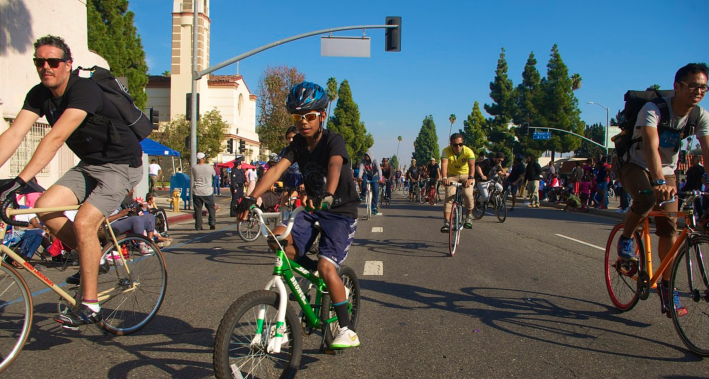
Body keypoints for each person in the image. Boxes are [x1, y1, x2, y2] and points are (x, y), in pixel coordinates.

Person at [0, 35, 143, 327]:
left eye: (53, 61)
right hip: (89, 165)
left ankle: (90, 305)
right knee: (45, 207)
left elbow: (56, 137)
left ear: (67, 65)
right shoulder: (39, 95)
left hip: (121, 165)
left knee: (84, 222)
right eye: (40, 62)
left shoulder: (84, 90)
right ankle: (94, 256)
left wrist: (20, 180)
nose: (46, 67)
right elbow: (14, 134)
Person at [237, 81, 360, 348]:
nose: (304, 122)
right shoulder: (297, 146)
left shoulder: (333, 140)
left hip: (339, 213)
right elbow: (275, 171)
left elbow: (335, 165)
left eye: (310, 116)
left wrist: (328, 193)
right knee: (277, 241)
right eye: (297, 117)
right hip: (311, 209)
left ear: (322, 116)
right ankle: (316, 276)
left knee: (328, 267)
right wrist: (252, 197)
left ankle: (347, 329)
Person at [616, 63, 709, 318]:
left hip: (667, 168)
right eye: (692, 86)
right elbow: (650, 146)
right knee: (646, 198)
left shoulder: (699, 115)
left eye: (703, 87)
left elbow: (707, 151)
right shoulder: (653, 109)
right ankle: (626, 239)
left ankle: (668, 291)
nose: (698, 91)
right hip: (634, 163)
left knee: (669, 225)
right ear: (677, 86)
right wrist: (658, 183)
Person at [440, 133, 476, 231]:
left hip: (466, 175)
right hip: (452, 176)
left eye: (460, 144)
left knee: (467, 194)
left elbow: (472, 165)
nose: (458, 147)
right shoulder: (446, 151)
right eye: (455, 145)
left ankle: (468, 216)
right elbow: (444, 164)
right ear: (451, 144)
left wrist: (470, 178)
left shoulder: (468, 151)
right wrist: (444, 177)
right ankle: (447, 222)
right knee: (449, 196)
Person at [192, 152, 216, 230]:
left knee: (198, 209)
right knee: (211, 208)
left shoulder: (194, 168)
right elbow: (214, 175)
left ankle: (198, 226)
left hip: (197, 191)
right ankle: (212, 222)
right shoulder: (209, 167)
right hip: (207, 191)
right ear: (203, 159)